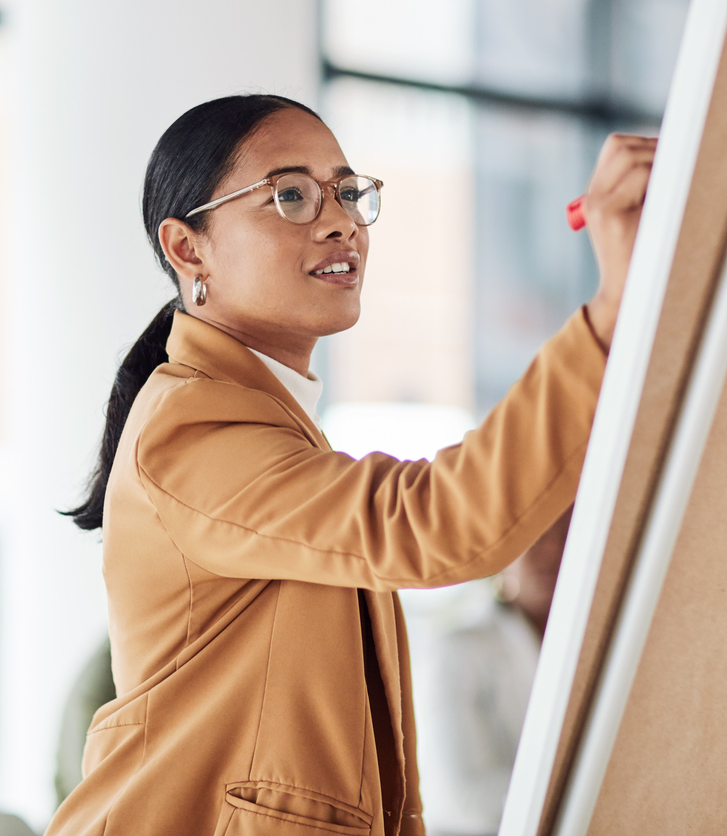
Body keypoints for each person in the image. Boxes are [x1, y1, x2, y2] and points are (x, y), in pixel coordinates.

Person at [47, 94, 654, 836]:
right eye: (291, 195)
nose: (339, 221)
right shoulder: (193, 427)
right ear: (188, 248)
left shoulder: (266, 420)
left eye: (348, 192)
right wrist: (612, 314)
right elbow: (431, 524)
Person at [406, 509, 572, 836]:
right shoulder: (456, 651)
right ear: (502, 553)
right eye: (535, 538)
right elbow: (460, 797)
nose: (552, 552)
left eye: (567, 534)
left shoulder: (603, 646)